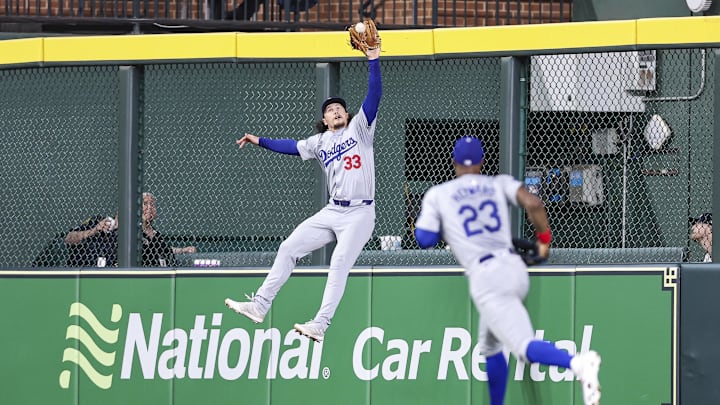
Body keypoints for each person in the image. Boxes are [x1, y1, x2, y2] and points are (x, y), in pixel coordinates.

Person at [413, 136, 601, 405]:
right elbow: (534, 203)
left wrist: (448, 228)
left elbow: (425, 240)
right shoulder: (497, 182)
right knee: (490, 347)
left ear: (454, 163)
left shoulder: (439, 194)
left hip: (487, 277)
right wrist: (544, 241)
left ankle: (578, 363)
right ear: (482, 163)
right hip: (513, 267)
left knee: (523, 347)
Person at [224, 40, 382, 343]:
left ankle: (321, 324)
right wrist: (259, 140)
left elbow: (374, 96)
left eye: (339, 108)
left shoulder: (360, 129)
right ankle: (259, 305)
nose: (335, 111)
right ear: (324, 120)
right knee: (288, 247)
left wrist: (373, 58)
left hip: (360, 213)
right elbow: (290, 146)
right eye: (329, 109)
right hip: (333, 209)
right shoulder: (319, 142)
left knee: (339, 262)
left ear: (347, 116)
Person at [65, 192, 193, 267]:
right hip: (83, 270)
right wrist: (93, 230)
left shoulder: (146, 236)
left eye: (152, 205)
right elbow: (69, 238)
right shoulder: (98, 221)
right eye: (145, 204)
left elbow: (164, 250)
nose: (149, 207)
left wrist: (183, 250)